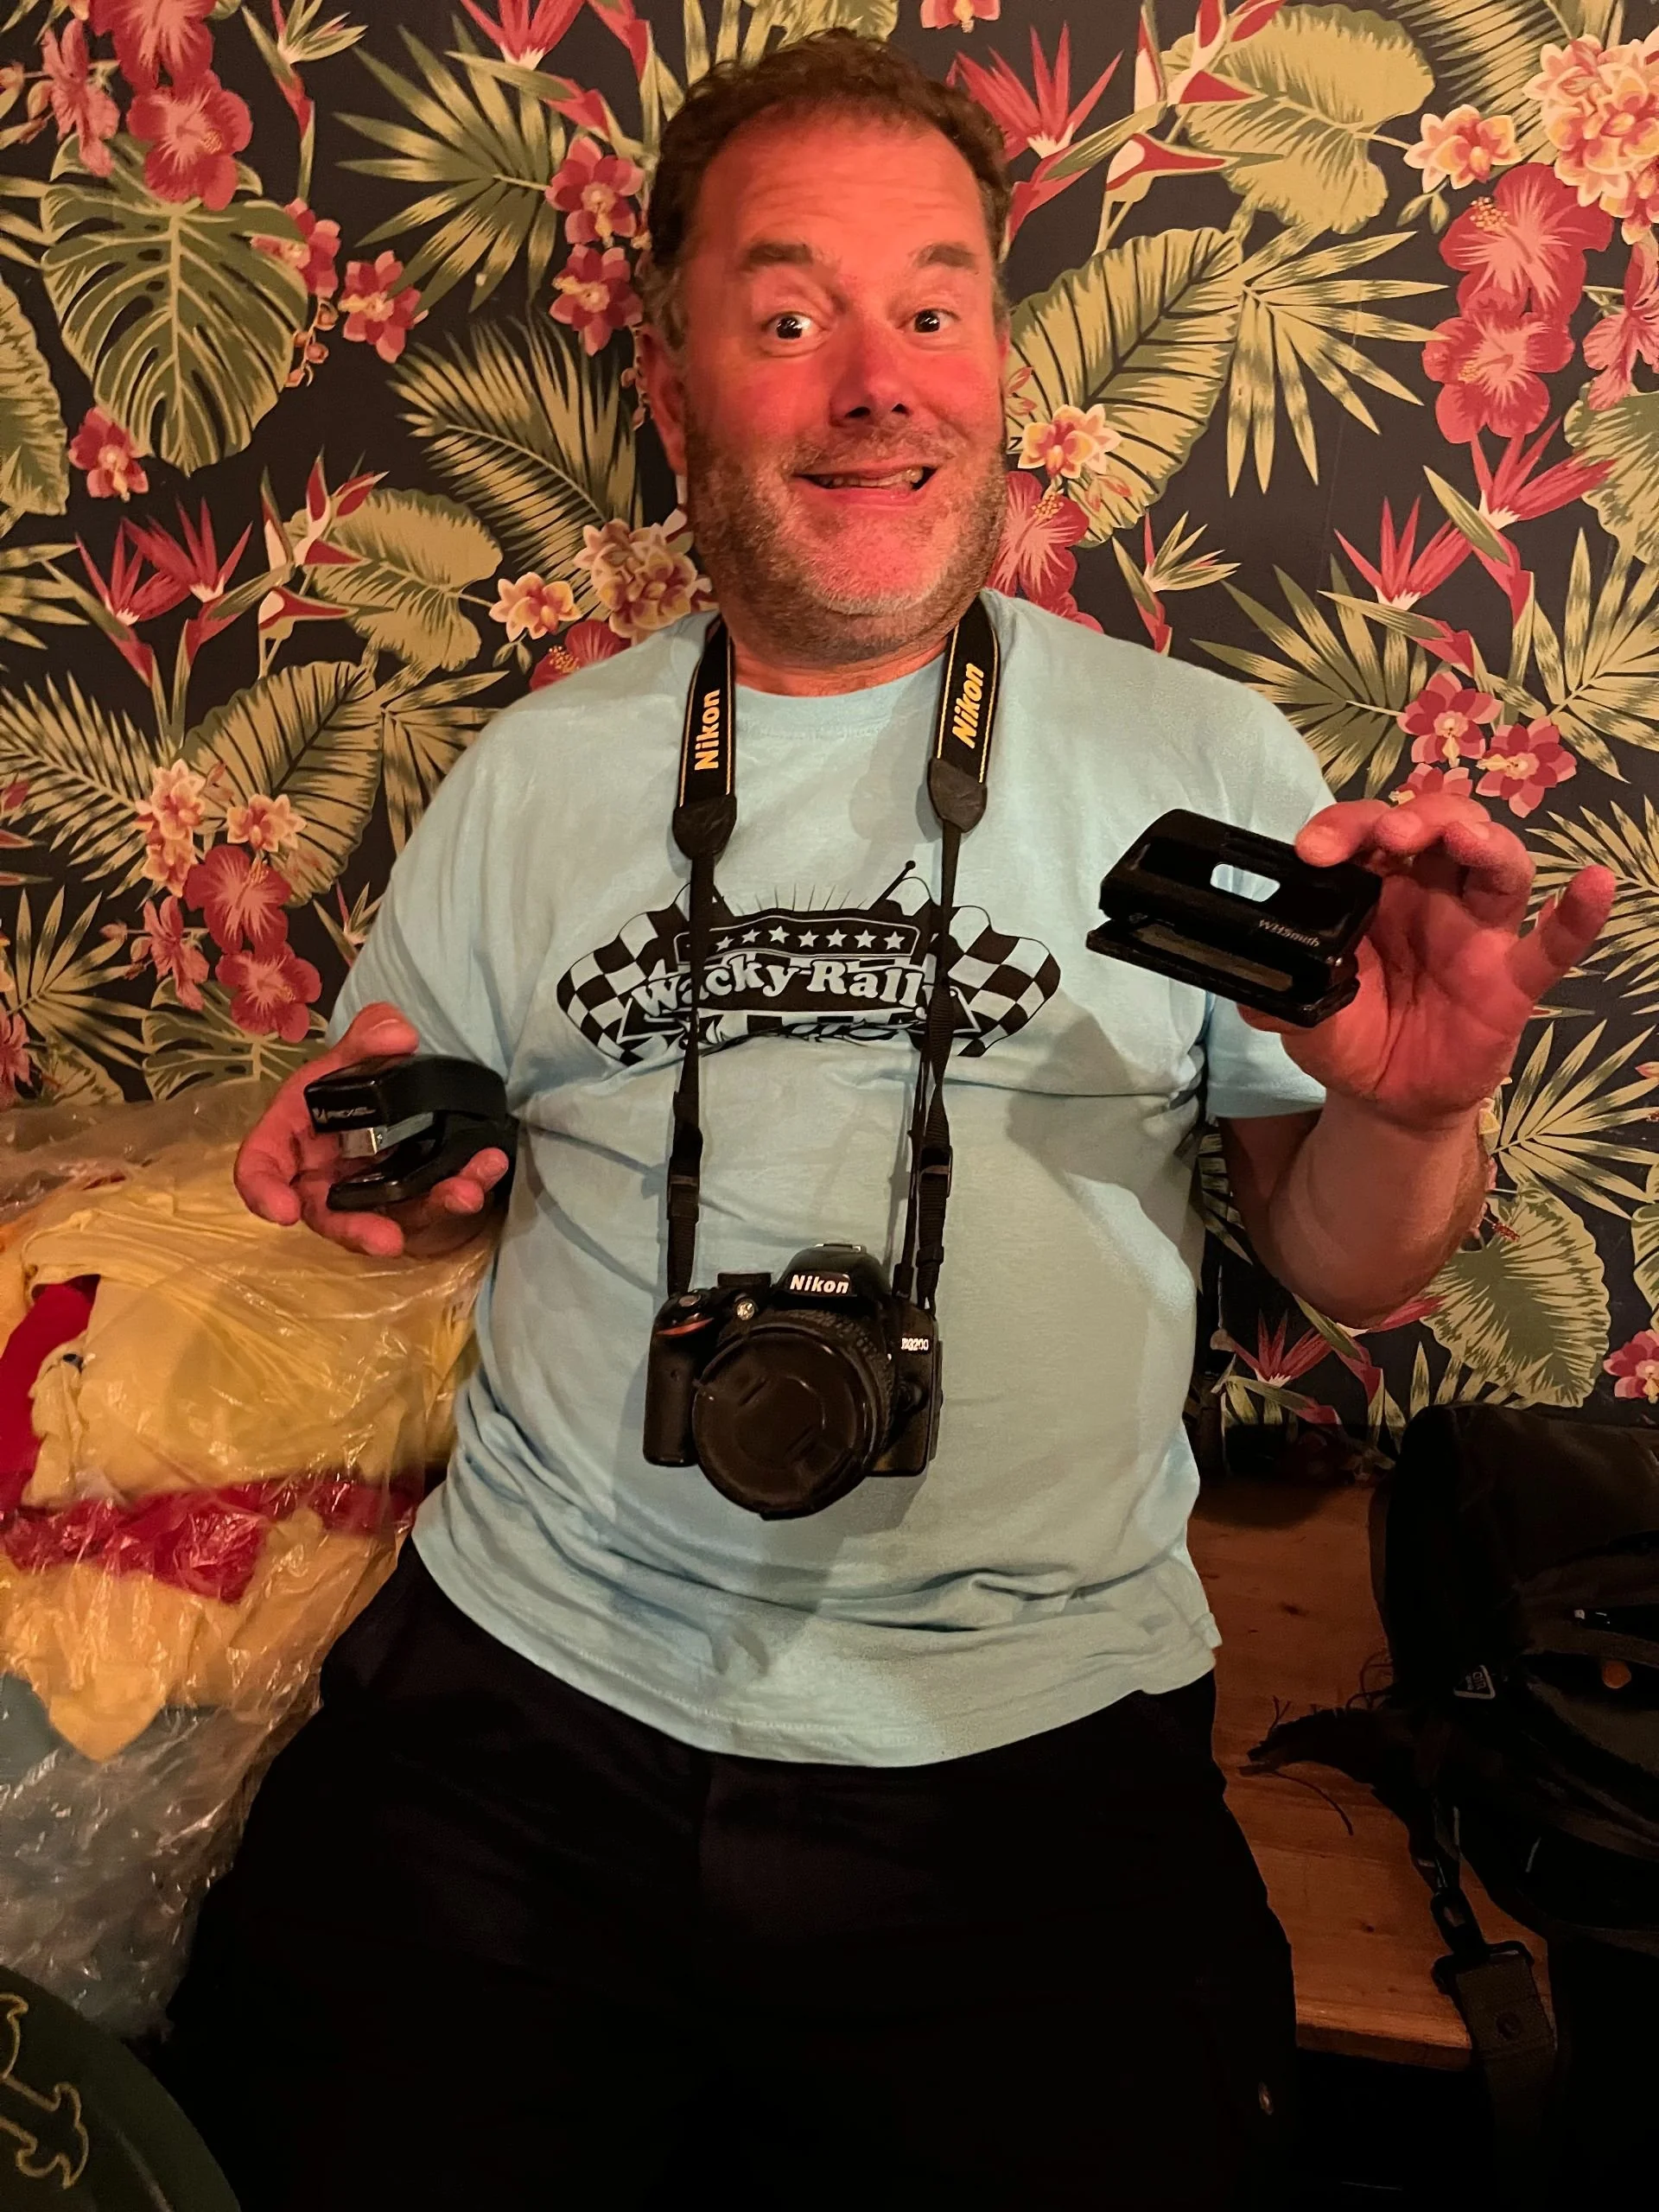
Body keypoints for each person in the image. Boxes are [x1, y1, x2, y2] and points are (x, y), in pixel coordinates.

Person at [162, 30, 1613, 2211]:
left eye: (934, 306)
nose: (878, 379)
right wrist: (352, 1162)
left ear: (1002, 362)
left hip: (1025, 1748)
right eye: (787, 314)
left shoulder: (1198, 757)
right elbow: (420, 1159)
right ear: (675, 391)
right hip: (521, 1723)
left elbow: (1343, 1256)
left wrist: (1422, 1106)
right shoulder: (532, 776)